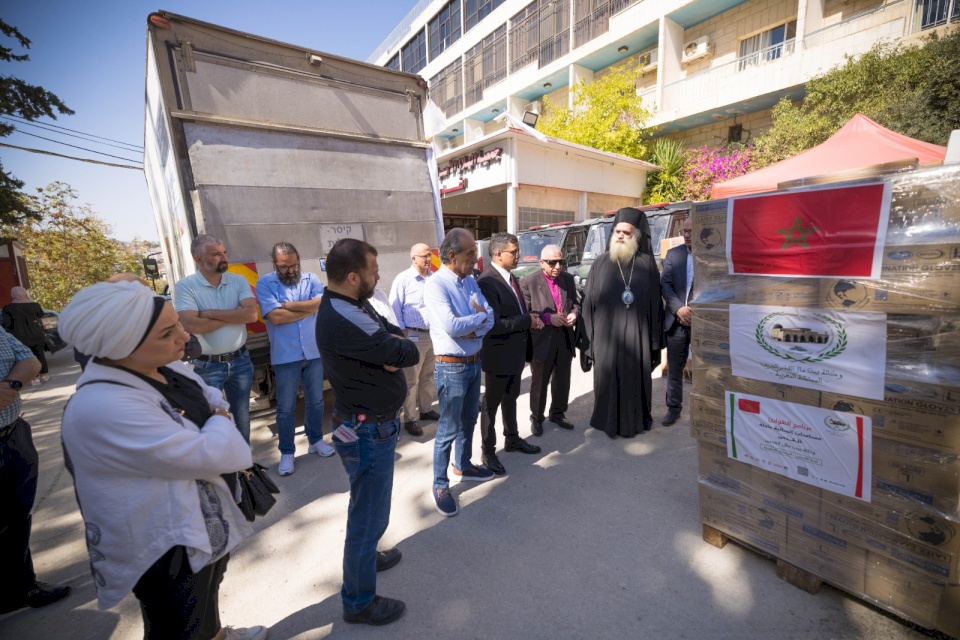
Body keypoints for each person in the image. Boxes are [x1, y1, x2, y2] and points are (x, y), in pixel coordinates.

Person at [58, 280, 265, 640]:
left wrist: (216, 417)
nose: (185, 338)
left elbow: (212, 395)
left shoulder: (165, 366)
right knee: (178, 623)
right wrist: (219, 420)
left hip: (200, 526)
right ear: (122, 344)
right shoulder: (103, 406)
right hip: (164, 547)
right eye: (168, 332)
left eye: (179, 325)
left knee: (207, 597)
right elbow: (218, 451)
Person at [315, 238, 418, 626]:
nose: (379, 277)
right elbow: (406, 351)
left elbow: (396, 335)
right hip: (366, 430)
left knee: (367, 507)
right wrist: (393, 351)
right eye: (374, 271)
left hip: (364, 424)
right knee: (368, 517)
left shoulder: (352, 304)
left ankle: (366, 558)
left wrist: (392, 349)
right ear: (354, 276)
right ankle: (358, 601)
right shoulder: (343, 315)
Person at [423, 228, 496, 517]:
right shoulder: (436, 285)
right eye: (471, 255)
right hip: (451, 366)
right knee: (448, 428)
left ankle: (462, 466)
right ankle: (440, 484)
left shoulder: (470, 281)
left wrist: (475, 323)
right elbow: (453, 327)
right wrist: (478, 318)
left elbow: (490, 317)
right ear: (451, 256)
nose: (476, 261)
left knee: (469, 420)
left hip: (473, 361)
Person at [0, 327, 71, 615]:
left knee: (17, 516)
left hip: (14, 434)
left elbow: (30, 361)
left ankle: (21, 588)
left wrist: (12, 384)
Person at [581, 207, 664, 437]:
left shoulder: (647, 265)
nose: (619, 236)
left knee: (635, 381)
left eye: (626, 233)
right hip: (606, 339)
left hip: (637, 340)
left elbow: (656, 304)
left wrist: (655, 340)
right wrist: (588, 341)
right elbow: (588, 303)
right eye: (617, 231)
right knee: (606, 380)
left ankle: (635, 421)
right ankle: (605, 420)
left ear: (635, 236)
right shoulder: (600, 263)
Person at [255, 242, 332, 477]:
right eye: (285, 267)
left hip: (313, 351)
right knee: (286, 408)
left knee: (316, 401)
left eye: (294, 265)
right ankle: (287, 452)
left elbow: (322, 303)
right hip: (285, 355)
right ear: (274, 264)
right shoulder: (265, 283)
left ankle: (316, 440)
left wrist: (288, 305)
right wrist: (307, 308)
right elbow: (275, 317)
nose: (290, 270)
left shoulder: (311, 280)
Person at [176, 235, 259, 443]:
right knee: (211, 421)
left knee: (242, 419)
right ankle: (223, 470)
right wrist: (233, 314)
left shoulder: (238, 280)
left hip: (240, 362)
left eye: (224, 252)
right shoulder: (186, 286)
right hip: (207, 365)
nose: (223, 258)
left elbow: (250, 315)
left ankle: (244, 468)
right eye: (215, 254)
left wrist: (210, 313)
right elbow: (192, 326)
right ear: (199, 260)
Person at [477, 233, 543, 476]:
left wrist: (530, 319)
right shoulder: (487, 282)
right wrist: (527, 320)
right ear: (498, 254)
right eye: (514, 252)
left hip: (515, 354)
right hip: (498, 355)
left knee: (511, 399)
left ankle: (512, 438)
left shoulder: (510, 277)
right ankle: (488, 451)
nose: (518, 255)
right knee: (490, 405)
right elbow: (493, 324)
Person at [520, 244, 580, 435]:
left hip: (564, 337)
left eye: (560, 262)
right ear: (541, 262)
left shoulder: (568, 279)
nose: (557, 267)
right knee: (539, 382)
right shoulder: (528, 282)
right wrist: (548, 319)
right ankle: (537, 418)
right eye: (552, 262)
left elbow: (577, 303)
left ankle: (558, 413)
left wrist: (574, 314)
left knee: (562, 380)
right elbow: (525, 313)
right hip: (542, 340)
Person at [389, 243, 439, 436]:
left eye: (429, 255)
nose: (427, 259)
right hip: (413, 335)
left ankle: (426, 409)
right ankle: (410, 418)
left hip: (432, 334)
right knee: (411, 379)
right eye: (424, 256)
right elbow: (395, 307)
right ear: (413, 258)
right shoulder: (403, 279)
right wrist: (402, 333)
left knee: (427, 376)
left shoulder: (434, 279)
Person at [661, 216, 694, 427]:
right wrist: (678, 308)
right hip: (677, 321)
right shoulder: (674, 255)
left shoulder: (712, 256)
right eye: (685, 231)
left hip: (703, 322)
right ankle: (674, 408)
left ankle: (707, 409)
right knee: (675, 369)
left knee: (707, 370)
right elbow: (665, 284)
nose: (687, 235)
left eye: (691, 231)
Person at [1, 287, 48, 385]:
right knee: (40, 355)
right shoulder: (35, 305)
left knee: (26, 357)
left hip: (19, 337)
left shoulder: (8, 308)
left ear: (13, 294)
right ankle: (43, 376)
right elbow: (40, 316)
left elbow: (7, 324)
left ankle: (33, 379)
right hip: (36, 334)